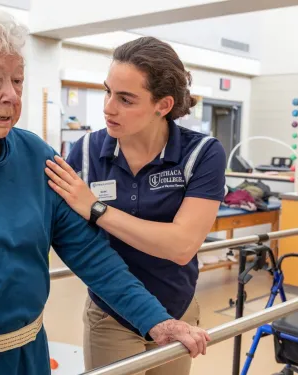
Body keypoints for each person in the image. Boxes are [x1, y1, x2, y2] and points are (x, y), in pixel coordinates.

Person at [0, 9, 210, 375]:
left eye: (17, 80)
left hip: (23, 355)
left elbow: (88, 253)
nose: (11, 95)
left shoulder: (37, 156)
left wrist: (156, 320)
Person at [45, 36, 226, 375]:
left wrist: (97, 209)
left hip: (178, 308)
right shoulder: (84, 152)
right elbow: (70, 237)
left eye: (125, 99)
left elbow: (182, 246)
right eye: (107, 91)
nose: (108, 107)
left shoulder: (201, 154)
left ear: (163, 104)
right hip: (111, 313)